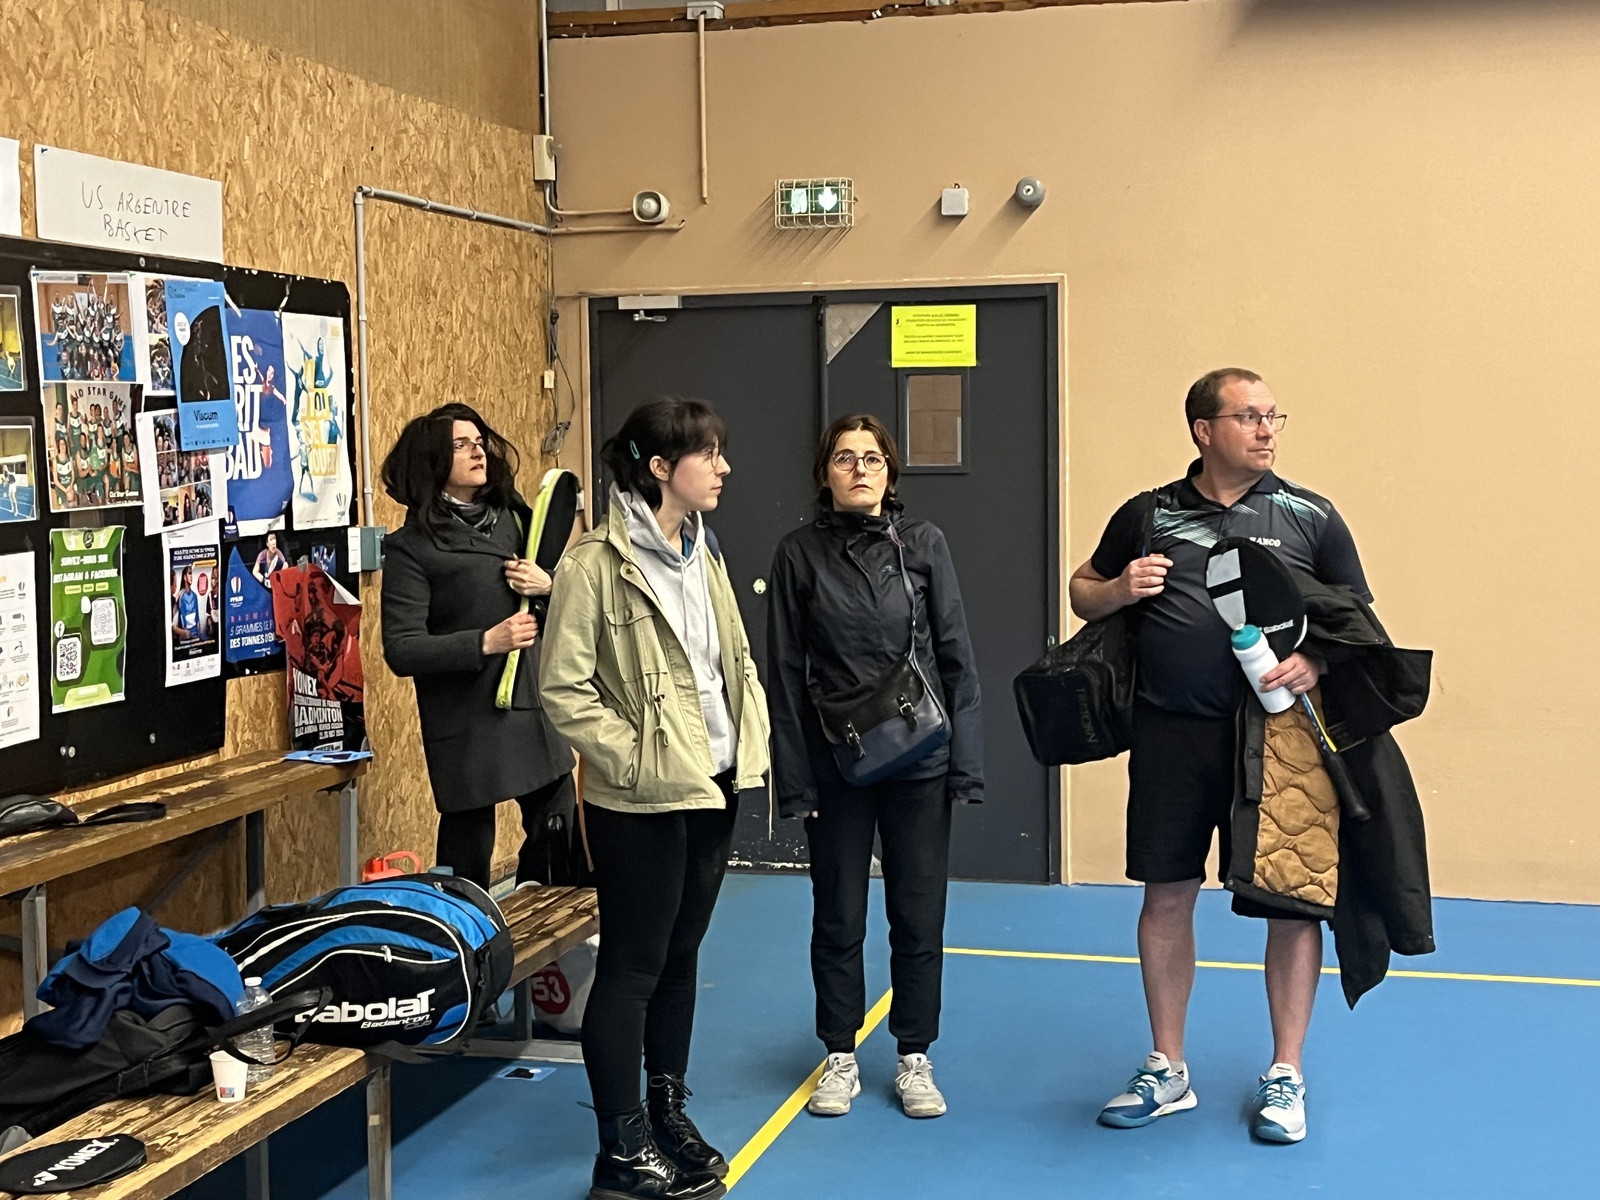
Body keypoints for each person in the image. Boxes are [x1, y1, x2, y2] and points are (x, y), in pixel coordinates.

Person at [1070, 368, 1375, 1146]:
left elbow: (1358, 621)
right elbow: (1082, 589)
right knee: (1167, 894)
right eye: (1249, 417)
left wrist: (1317, 662)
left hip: (1280, 746)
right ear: (1204, 431)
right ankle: (1167, 1068)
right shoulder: (1149, 514)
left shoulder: (1310, 516)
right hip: (1170, 736)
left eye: (1273, 416)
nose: (1267, 429)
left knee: (1290, 901)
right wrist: (1120, 588)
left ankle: (1286, 1073)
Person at [539, 398, 769, 1200]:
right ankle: (622, 1150)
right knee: (633, 967)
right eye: (709, 454)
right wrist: (635, 758)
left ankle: (667, 1115)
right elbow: (563, 690)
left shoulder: (703, 548)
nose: (724, 467)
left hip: (713, 781)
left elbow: (726, 659)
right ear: (662, 468)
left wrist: (746, 737)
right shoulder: (592, 566)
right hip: (639, 799)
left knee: (680, 957)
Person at [765, 413, 983, 1122]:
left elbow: (957, 656)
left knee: (918, 916)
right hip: (837, 765)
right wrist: (795, 779)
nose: (859, 469)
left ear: (890, 474)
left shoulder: (925, 543)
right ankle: (840, 1054)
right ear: (824, 473)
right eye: (844, 458)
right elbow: (784, 674)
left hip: (921, 761)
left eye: (872, 459)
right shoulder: (798, 554)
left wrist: (965, 765)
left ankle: (915, 1055)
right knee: (837, 916)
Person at [379, 403, 578, 892]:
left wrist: (549, 586)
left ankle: (547, 930)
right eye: (461, 445)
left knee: (558, 831)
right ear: (432, 460)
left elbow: (562, 602)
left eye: (479, 442)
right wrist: (486, 642)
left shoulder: (515, 518)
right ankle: (468, 936)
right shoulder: (412, 547)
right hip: (465, 718)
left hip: (531, 705)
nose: (477, 451)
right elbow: (402, 649)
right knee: (468, 852)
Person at [172, 565, 200, 643]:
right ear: (184, 577)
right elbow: (181, 620)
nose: (191, 577)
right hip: (186, 636)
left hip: (195, 635)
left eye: (192, 574)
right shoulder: (181, 597)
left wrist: (199, 637)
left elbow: (197, 619)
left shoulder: (194, 596)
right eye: (189, 574)